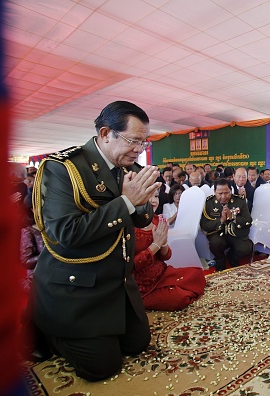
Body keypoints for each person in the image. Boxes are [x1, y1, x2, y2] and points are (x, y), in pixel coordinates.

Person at [30, 100, 161, 381]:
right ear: (105, 134)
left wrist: (139, 203)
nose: (139, 150)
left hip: (115, 281)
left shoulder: (130, 168)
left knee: (138, 345)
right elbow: (65, 233)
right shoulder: (64, 169)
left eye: (144, 143)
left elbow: (141, 219)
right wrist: (127, 201)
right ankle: (44, 330)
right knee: (102, 368)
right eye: (133, 141)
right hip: (77, 286)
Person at [133, 190, 206, 310]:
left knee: (197, 274)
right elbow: (133, 265)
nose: (153, 201)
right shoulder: (130, 227)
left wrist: (163, 243)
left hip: (161, 273)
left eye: (156, 196)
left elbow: (166, 256)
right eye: (147, 196)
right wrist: (156, 244)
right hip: (142, 285)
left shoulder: (156, 220)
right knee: (179, 298)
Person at [200, 178, 253, 271]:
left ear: (231, 191)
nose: (224, 196)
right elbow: (204, 225)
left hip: (236, 232)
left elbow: (248, 220)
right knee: (216, 243)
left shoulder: (239, 201)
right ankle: (220, 258)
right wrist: (221, 220)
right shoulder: (209, 203)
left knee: (246, 248)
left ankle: (232, 256)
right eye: (220, 194)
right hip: (218, 233)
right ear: (214, 192)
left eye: (227, 193)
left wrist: (233, 217)